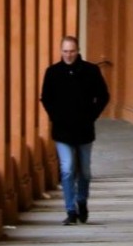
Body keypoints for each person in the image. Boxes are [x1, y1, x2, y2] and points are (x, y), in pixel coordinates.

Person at [38, 35, 110, 225]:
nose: (68, 55)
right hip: (62, 130)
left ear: (78, 51)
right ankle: (70, 209)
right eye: (65, 51)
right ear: (60, 51)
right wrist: (55, 116)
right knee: (68, 169)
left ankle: (82, 201)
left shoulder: (91, 71)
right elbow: (45, 97)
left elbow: (103, 95)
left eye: (72, 51)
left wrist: (92, 115)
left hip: (84, 129)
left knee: (85, 171)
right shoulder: (52, 72)